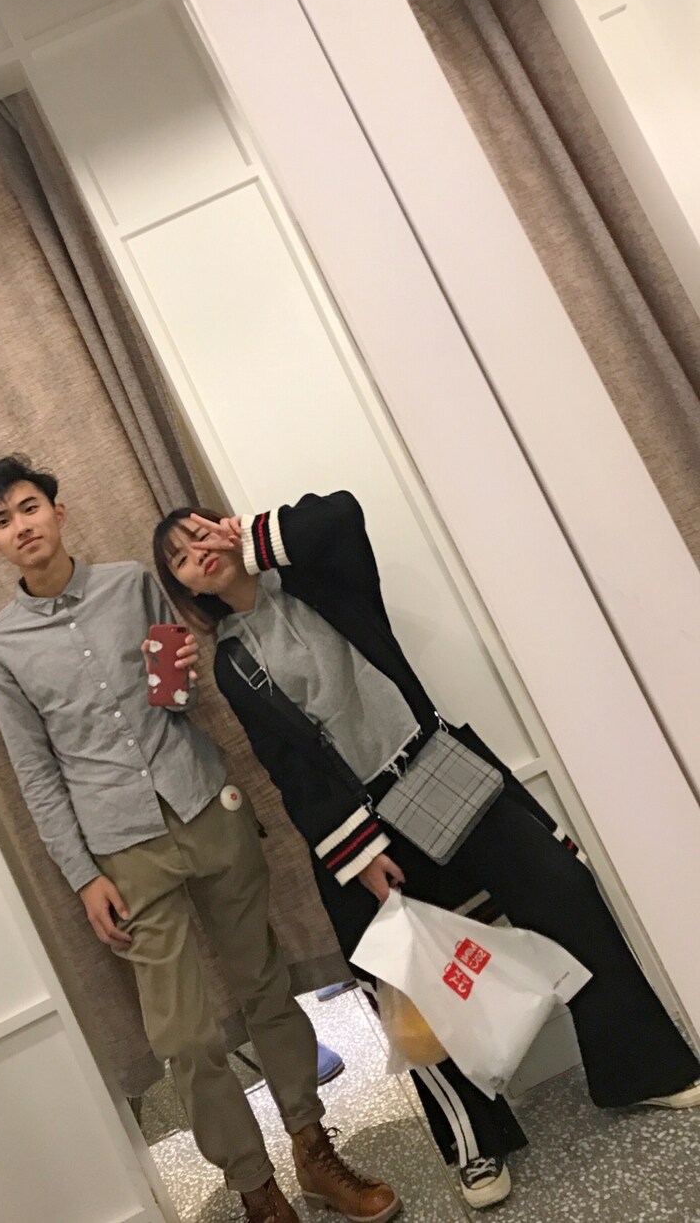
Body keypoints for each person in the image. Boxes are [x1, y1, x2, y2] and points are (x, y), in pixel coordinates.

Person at [152, 490, 700, 1211]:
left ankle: (641, 1068)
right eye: (180, 559)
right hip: (362, 820)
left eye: (200, 534)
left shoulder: (315, 574)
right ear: (183, 587)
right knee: (402, 980)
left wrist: (250, 538)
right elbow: (292, 772)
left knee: (562, 888)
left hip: (435, 764)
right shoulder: (232, 662)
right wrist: (356, 852)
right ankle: (474, 1144)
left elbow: (341, 512)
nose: (197, 554)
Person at [0, 457, 401, 1223]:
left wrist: (181, 677)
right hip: (121, 846)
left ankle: (313, 1152)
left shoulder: (131, 583)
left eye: (29, 507)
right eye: (2, 521)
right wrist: (82, 876)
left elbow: (179, 697)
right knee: (186, 1037)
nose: (21, 526)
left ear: (58, 512)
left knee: (265, 987)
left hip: (206, 803)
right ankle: (255, 1190)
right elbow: (34, 772)